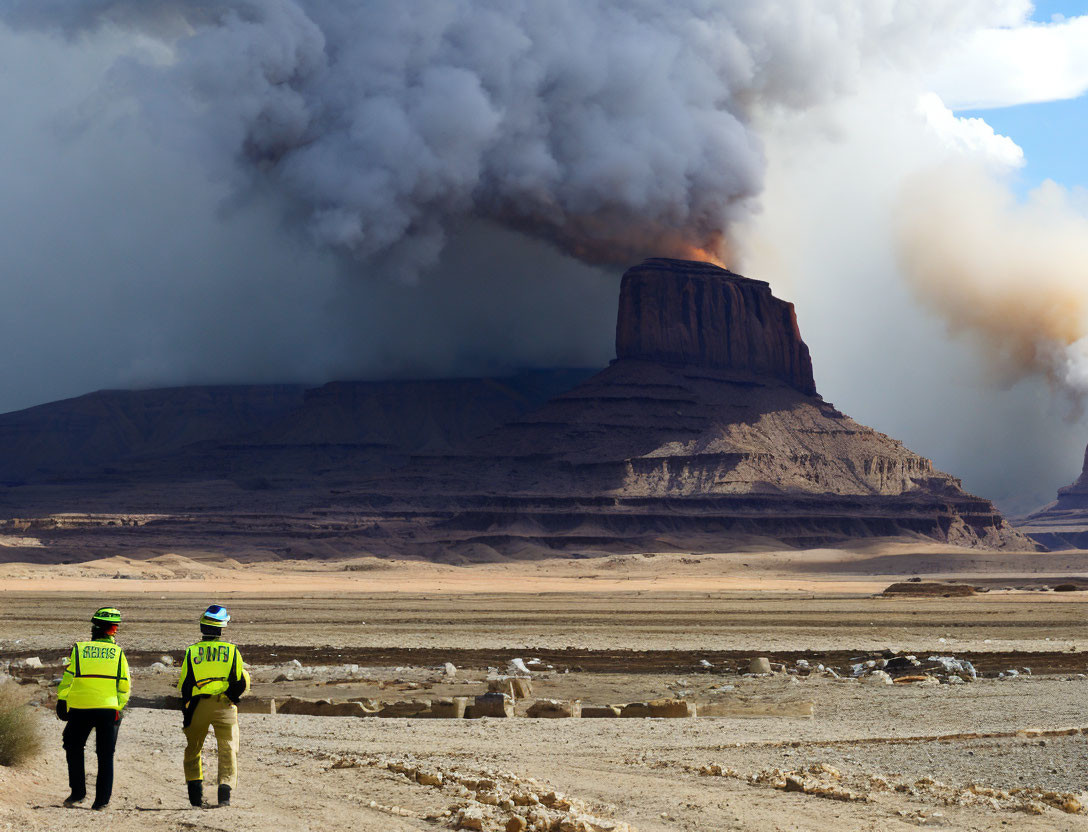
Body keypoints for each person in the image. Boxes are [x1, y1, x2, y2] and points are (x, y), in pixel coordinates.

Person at [56, 606, 130, 811]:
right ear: (113, 629)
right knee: (105, 754)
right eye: (116, 627)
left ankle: (78, 793)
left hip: (80, 708)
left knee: (73, 746)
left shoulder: (79, 649)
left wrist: (62, 701)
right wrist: (119, 707)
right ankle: (101, 802)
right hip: (108, 709)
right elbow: (124, 685)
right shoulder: (118, 653)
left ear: (94, 627)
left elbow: (68, 679)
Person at [177, 604, 250, 808]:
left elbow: (185, 685)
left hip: (198, 705)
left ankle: (195, 796)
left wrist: (187, 711)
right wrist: (232, 698)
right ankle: (224, 795)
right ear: (221, 628)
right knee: (227, 749)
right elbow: (239, 681)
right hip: (225, 706)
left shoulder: (192, 652)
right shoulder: (232, 651)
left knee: (193, 749)